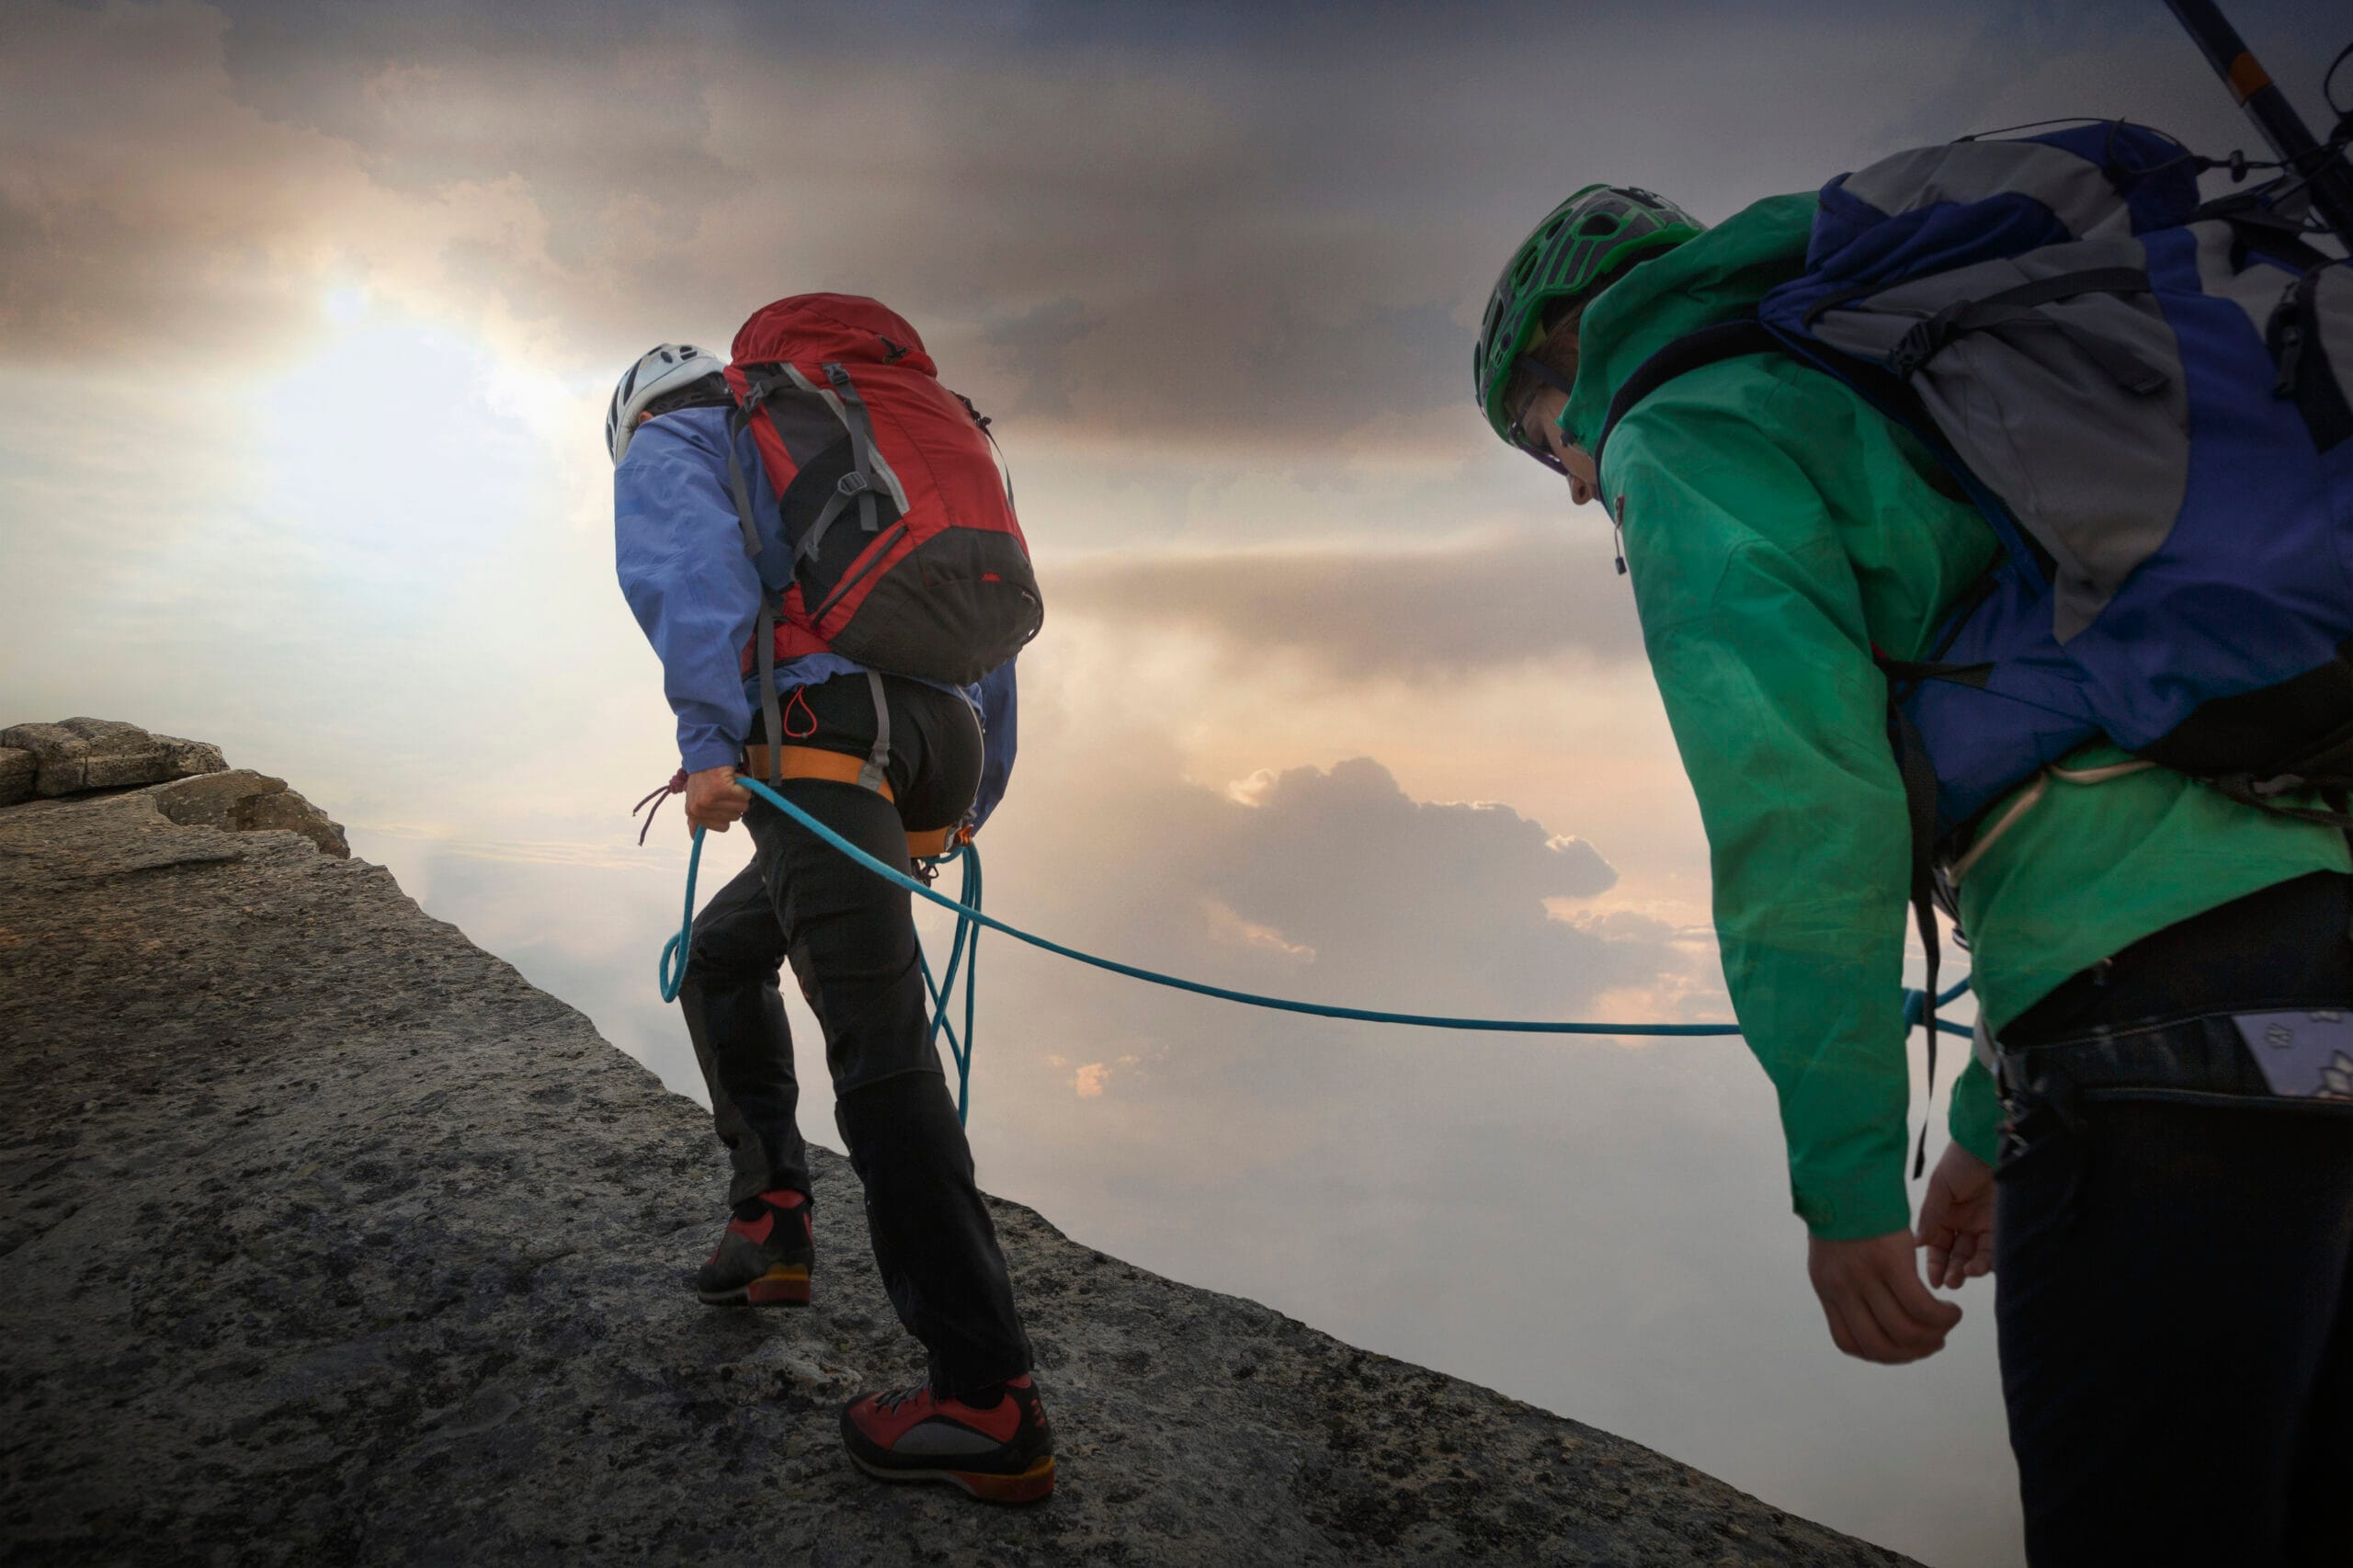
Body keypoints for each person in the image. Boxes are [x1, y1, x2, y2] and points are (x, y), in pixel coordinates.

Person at [1473, 185, 2353, 1560]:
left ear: (1565, 364)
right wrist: (1995, 1113)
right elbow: (2105, 727)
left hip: (2149, 1035)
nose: (1579, 483)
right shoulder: (1905, 367)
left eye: (1544, 448)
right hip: (2317, 915)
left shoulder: (1682, 423)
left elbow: (1801, 810)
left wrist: (1847, 1187)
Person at [609, 327, 1053, 1505]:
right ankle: (772, 1222)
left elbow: (686, 571)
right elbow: (986, 621)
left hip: (819, 739)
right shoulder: (861, 436)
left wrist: (708, 739)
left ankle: (986, 1394)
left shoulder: (679, 438)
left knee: (878, 1048)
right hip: (928, 742)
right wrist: (972, 790)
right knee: (722, 956)